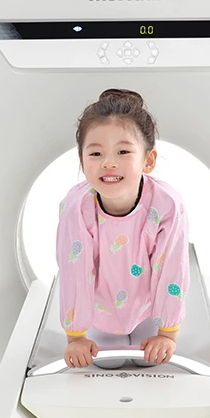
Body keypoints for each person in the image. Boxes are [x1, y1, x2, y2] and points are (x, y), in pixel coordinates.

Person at [56, 88, 190, 369]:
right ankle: (106, 333)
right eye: (96, 153)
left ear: (148, 160)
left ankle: (147, 330)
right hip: (101, 313)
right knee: (108, 364)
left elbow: (172, 268)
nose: (109, 162)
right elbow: (74, 273)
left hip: (147, 311)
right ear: (82, 162)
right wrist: (75, 337)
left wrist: (167, 333)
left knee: (149, 362)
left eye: (123, 151)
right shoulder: (76, 208)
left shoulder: (166, 205)